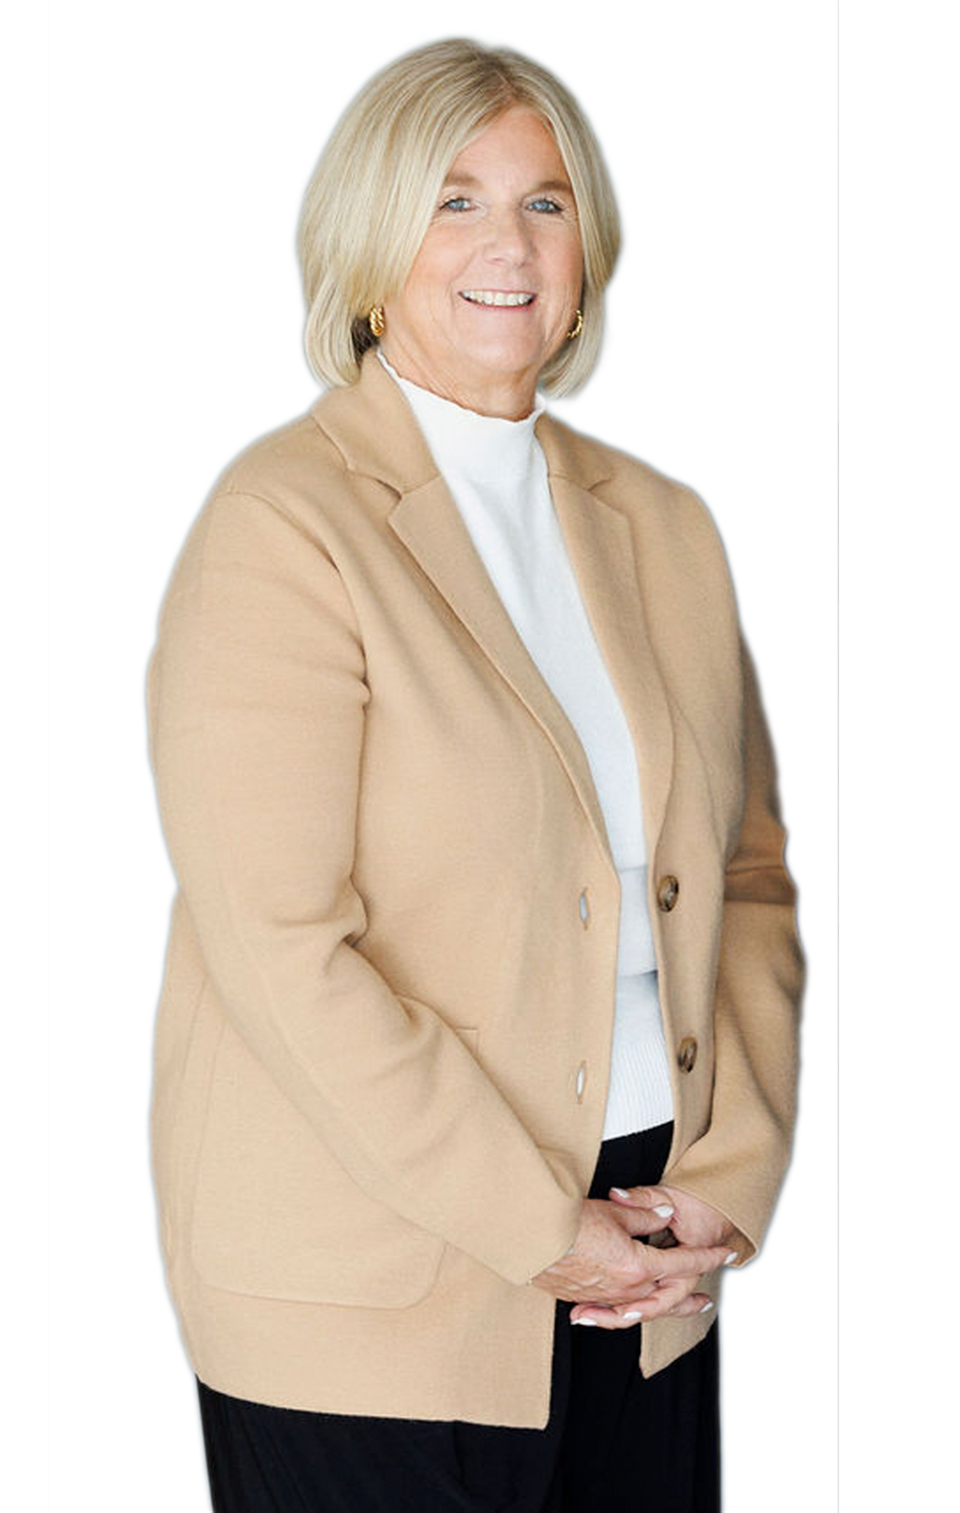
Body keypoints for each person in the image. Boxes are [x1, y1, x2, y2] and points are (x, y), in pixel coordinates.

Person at [143, 34, 809, 1513]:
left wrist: (732, 1180)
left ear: (591, 249)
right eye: (454, 201)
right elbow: (280, 943)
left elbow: (751, 879)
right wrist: (533, 1223)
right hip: (366, 1281)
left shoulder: (669, 523)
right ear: (370, 244)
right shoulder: (282, 520)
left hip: (647, 1258)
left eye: (545, 203)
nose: (509, 246)